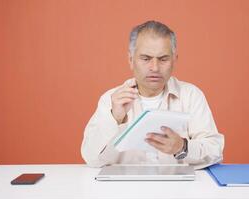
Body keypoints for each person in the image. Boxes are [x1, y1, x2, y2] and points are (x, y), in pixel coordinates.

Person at [81, 20, 224, 169]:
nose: (154, 67)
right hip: (124, 189)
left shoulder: (191, 96)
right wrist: (114, 118)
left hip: (179, 189)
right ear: (131, 60)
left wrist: (183, 147)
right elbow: (91, 158)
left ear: (174, 60)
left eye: (163, 59)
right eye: (145, 58)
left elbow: (215, 150)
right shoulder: (112, 99)